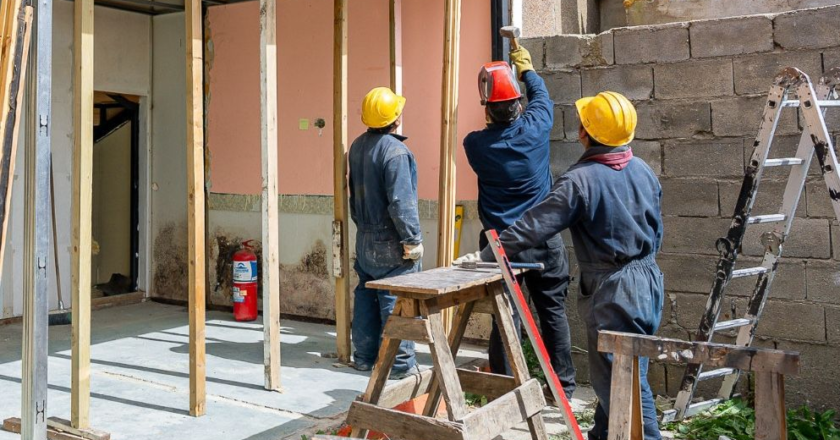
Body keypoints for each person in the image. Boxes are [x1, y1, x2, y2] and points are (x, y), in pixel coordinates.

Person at [478, 90, 664, 440]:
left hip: (614, 290)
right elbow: (657, 232)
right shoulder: (643, 171)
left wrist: (489, 254)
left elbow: (536, 225)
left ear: (584, 133)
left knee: (624, 384)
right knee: (623, 371)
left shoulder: (581, 179)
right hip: (649, 281)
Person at [458, 46, 575, 399]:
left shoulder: (475, 145)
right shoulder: (536, 128)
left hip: (501, 245)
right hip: (543, 240)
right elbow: (541, 96)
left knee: (505, 315)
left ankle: (505, 389)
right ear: (518, 105)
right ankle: (562, 390)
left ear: (487, 109)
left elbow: (498, 125)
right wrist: (527, 69)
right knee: (552, 313)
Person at [348, 87, 423, 380]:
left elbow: (354, 196)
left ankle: (363, 358)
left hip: (365, 236)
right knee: (397, 298)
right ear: (396, 118)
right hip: (390, 239)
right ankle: (399, 365)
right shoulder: (396, 152)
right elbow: (401, 202)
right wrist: (412, 240)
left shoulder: (357, 146)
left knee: (366, 295)